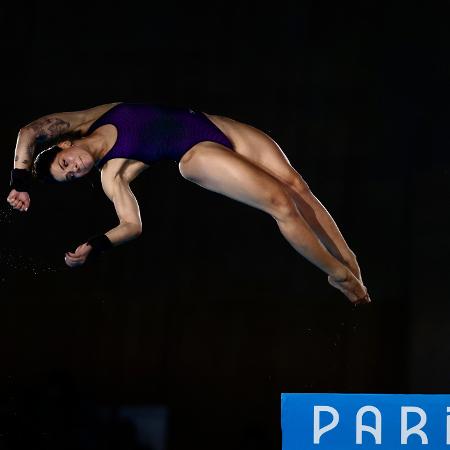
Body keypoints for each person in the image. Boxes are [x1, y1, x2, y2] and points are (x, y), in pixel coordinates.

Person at [7, 101, 370, 304]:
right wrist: (96, 245)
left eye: (65, 164)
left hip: (214, 125)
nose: (75, 169)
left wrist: (20, 182)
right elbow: (132, 225)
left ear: (65, 146)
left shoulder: (88, 119)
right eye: (71, 176)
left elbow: (29, 132)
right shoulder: (111, 174)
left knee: (297, 187)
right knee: (280, 203)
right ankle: (335, 274)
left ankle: (350, 262)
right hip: (196, 154)